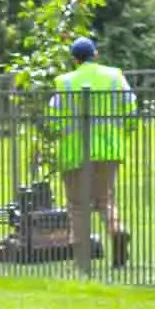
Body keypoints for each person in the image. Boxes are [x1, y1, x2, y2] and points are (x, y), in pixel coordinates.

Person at [50, 37, 136, 271]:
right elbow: (131, 107)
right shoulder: (114, 77)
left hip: (75, 151)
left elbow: (55, 119)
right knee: (105, 199)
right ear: (95, 55)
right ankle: (116, 229)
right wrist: (125, 131)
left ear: (75, 60)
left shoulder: (65, 82)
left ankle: (82, 257)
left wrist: (58, 133)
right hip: (108, 149)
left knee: (78, 205)